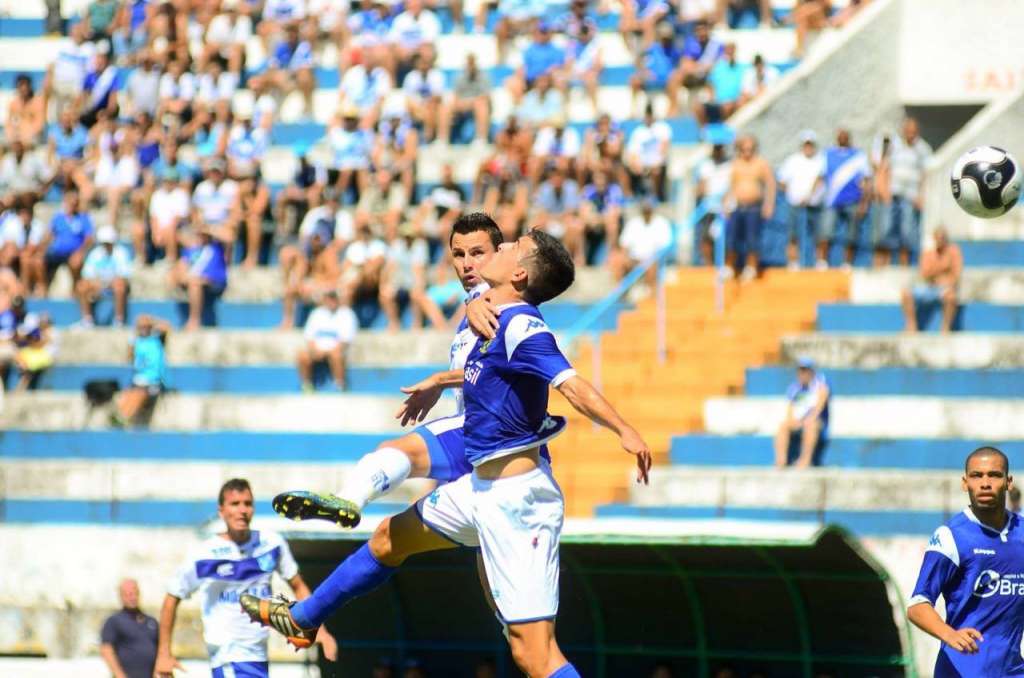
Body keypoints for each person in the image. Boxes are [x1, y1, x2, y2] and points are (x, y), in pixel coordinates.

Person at [242, 230, 651, 678]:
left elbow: (571, 383)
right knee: (387, 539)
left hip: (518, 502)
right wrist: (442, 377)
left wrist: (624, 429)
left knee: (535, 656)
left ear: (518, 272)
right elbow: (486, 369)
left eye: (513, 246)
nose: (504, 246)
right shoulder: (491, 322)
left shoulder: (523, 327)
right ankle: (304, 619)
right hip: (478, 488)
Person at [156, 479, 336, 677]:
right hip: (228, 655)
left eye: (247, 503)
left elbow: (298, 586)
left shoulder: (272, 544)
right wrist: (164, 653)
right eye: (235, 504)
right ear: (221, 510)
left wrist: (319, 629)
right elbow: (171, 598)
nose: (242, 510)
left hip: (258, 654)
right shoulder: (204, 553)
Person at [907, 446, 1024, 675]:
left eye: (994, 475)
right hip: (962, 670)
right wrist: (950, 634)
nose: (985, 483)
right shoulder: (952, 536)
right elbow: (917, 605)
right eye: (977, 476)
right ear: (965, 483)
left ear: (1008, 482)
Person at [877, 117, 932, 265]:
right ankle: (885, 263)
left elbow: (925, 175)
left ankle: (904, 264)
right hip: (892, 193)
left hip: (910, 196)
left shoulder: (923, 149)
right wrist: (883, 190)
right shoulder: (894, 146)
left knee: (907, 231)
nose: (910, 134)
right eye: (908, 131)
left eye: (913, 132)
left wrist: (921, 196)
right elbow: (884, 168)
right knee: (886, 228)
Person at [725, 135, 775, 280]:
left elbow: (770, 184)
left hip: (753, 207)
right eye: (744, 149)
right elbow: (731, 186)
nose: (747, 152)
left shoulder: (760, 163)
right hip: (737, 206)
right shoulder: (735, 164)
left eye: (750, 149)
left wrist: (769, 204)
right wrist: (726, 205)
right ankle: (730, 267)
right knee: (732, 238)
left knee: (752, 238)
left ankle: (751, 267)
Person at [820, 128, 871, 269]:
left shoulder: (859, 156)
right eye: (840, 136)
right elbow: (820, 177)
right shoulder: (827, 154)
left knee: (851, 234)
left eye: (845, 136)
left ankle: (847, 263)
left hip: (852, 200)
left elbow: (866, 180)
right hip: (832, 201)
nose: (842, 138)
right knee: (826, 231)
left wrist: (864, 202)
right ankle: (823, 262)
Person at [777, 130, 825, 269]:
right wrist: (792, 194)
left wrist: (810, 196)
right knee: (793, 233)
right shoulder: (792, 160)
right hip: (795, 203)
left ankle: (819, 261)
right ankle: (793, 262)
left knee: (818, 233)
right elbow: (782, 180)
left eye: (810, 144)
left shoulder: (820, 160)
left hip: (814, 204)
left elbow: (821, 180)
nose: (808, 147)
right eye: (806, 144)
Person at [901, 227, 962, 333]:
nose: (940, 240)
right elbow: (924, 274)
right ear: (934, 239)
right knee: (906, 293)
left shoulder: (954, 251)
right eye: (938, 238)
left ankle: (945, 328)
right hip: (929, 287)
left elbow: (956, 275)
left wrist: (937, 274)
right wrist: (943, 269)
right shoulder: (928, 253)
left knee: (951, 296)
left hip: (945, 288)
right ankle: (911, 326)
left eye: (942, 238)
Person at [112, 315, 170, 427]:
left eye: (146, 326)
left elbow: (167, 327)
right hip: (139, 380)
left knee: (140, 393)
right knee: (129, 394)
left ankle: (124, 417)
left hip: (154, 381)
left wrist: (153, 321)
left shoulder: (156, 340)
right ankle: (121, 416)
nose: (143, 329)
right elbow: (129, 358)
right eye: (141, 326)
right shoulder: (135, 342)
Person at [773, 357, 830, 469]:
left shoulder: (820, 386)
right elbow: (790, 410)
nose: (803, 374)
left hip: (816, 422)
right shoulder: (794, 388)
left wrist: (809, 419)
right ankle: (781, 461)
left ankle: (805, 460)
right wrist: (794, 421)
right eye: (801, 370)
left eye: (805, 370)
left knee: (810, 425)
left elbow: (819, 407)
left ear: (812, 372)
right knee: (783, 425)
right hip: (799, 421)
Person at [297, 290, 358, 392]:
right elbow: (309, 337)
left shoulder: (347, 314)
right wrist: (315, 350)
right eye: (329, 299)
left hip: (336, 350)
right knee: (302, 355)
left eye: (333, 299)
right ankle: (307, 385)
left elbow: (345, 340)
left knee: (336, 355)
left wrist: (328, 351)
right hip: (318, 349)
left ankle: (340, 386)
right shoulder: (316, 313)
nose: (331, 302)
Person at [99, 578, 158, 678]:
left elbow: (161, 649)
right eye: (127, 594)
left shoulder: (151, 621)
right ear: (121, 597)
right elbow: (106, 650)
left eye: (134, 593)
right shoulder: (113, 621)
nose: (132, 597)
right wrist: (120, 676)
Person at [77, 225, 132, 327]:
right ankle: (87, 319)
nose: (106, 246)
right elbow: (87, 275)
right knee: (82, 286)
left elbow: (124, 276)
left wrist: (106, 283)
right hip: (98, 284)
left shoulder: (121, 253)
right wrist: (99, 284)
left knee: (119, 286)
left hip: (113, 284)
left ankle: (118, 319)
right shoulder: (95, 254)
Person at [611, 198, 673, 283]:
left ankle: (650, 293)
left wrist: (649, 259)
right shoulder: (633, 223)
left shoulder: (662, 223)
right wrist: (626, 257)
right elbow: (624, 245)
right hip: (634, 259)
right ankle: (620, 293)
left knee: (651, 265)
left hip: (652, 260)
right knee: (618, 260)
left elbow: (665, 247)